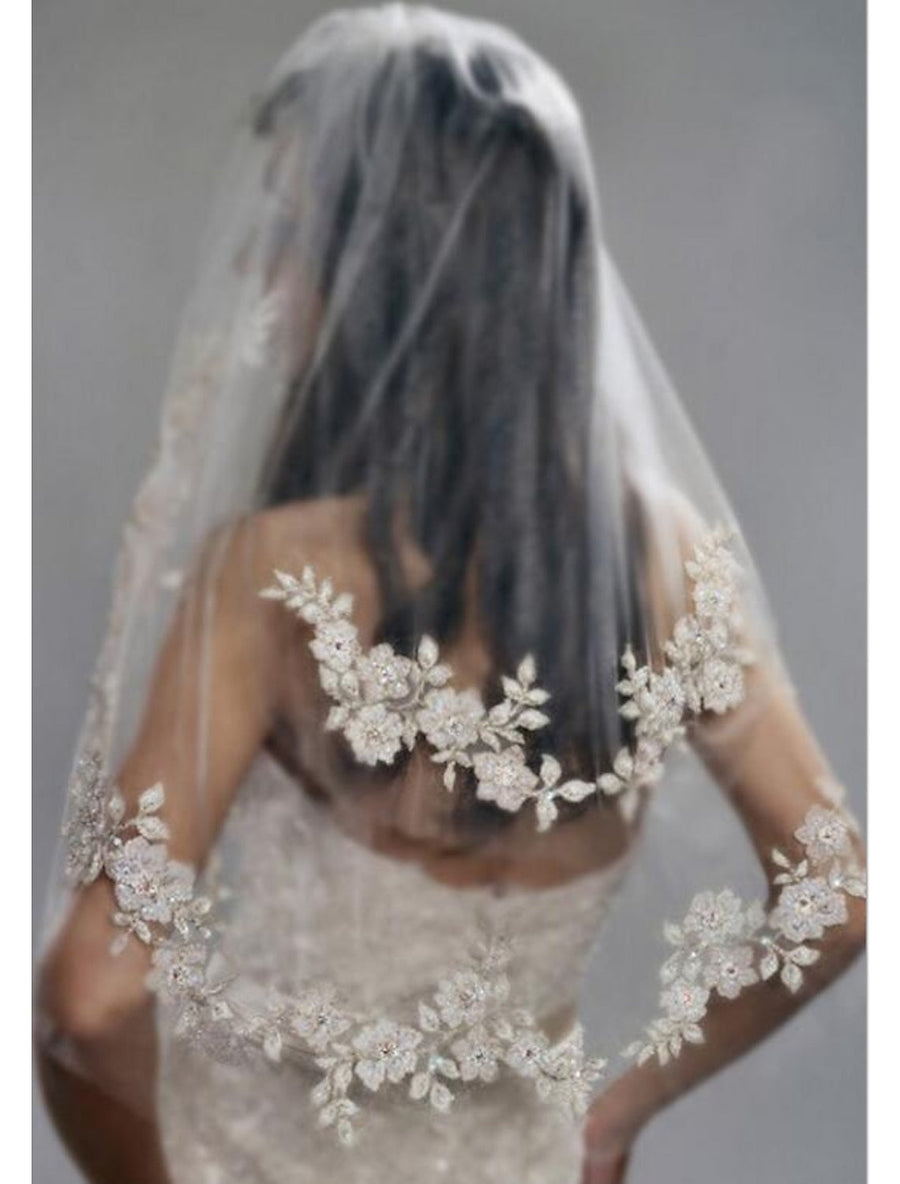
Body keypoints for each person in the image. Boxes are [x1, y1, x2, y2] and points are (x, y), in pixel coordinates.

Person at [36, 7, 866, 1183]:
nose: (257, 268)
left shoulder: (272, 577)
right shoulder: (666, 560)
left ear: (386, 268)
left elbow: (87, 996)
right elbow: (838, 896)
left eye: (291, 230)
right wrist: (612, 1116)